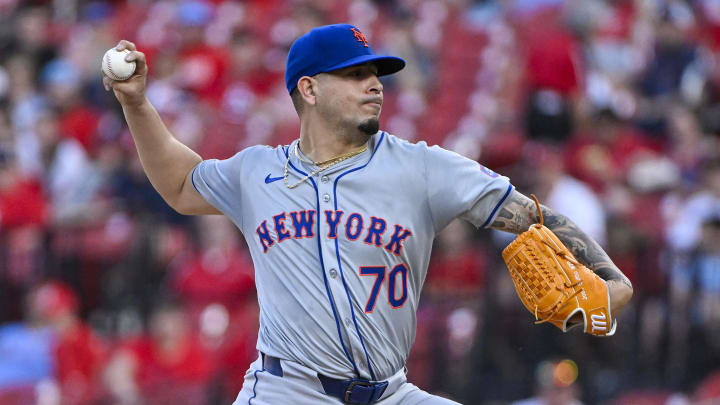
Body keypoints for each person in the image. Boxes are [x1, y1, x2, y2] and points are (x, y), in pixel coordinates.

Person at [103, 23, 633, 405]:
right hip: (288, 391)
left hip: (390, 392)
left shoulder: (423, 167)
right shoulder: (255, 173)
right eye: (355, 75)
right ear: (308, 89)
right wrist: (137, 105)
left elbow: (529, 215)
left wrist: (609, 277)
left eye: (376, 74)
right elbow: (177, 182)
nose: (375, 84)